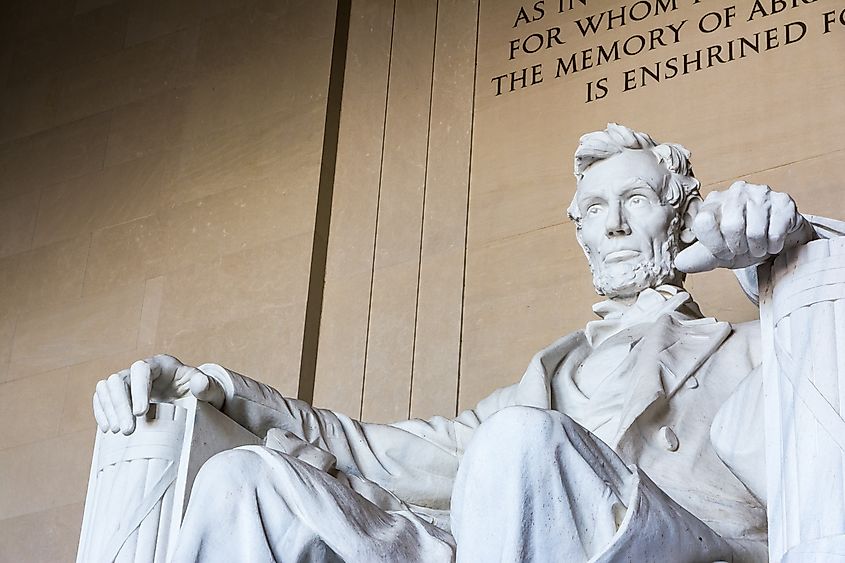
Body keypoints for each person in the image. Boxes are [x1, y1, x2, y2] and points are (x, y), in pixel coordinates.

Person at [92, 124, 821, 562]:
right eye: (595, 209)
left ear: (683, 212)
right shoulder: (550, 376)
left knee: (516, 446)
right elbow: (376, 450)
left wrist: (784, 249)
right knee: (241, 482)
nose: (615, 225)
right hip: (491, 537)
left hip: (671, 548)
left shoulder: (755, 348)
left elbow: (830, 348)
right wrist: (214, 387)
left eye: (635, 200)